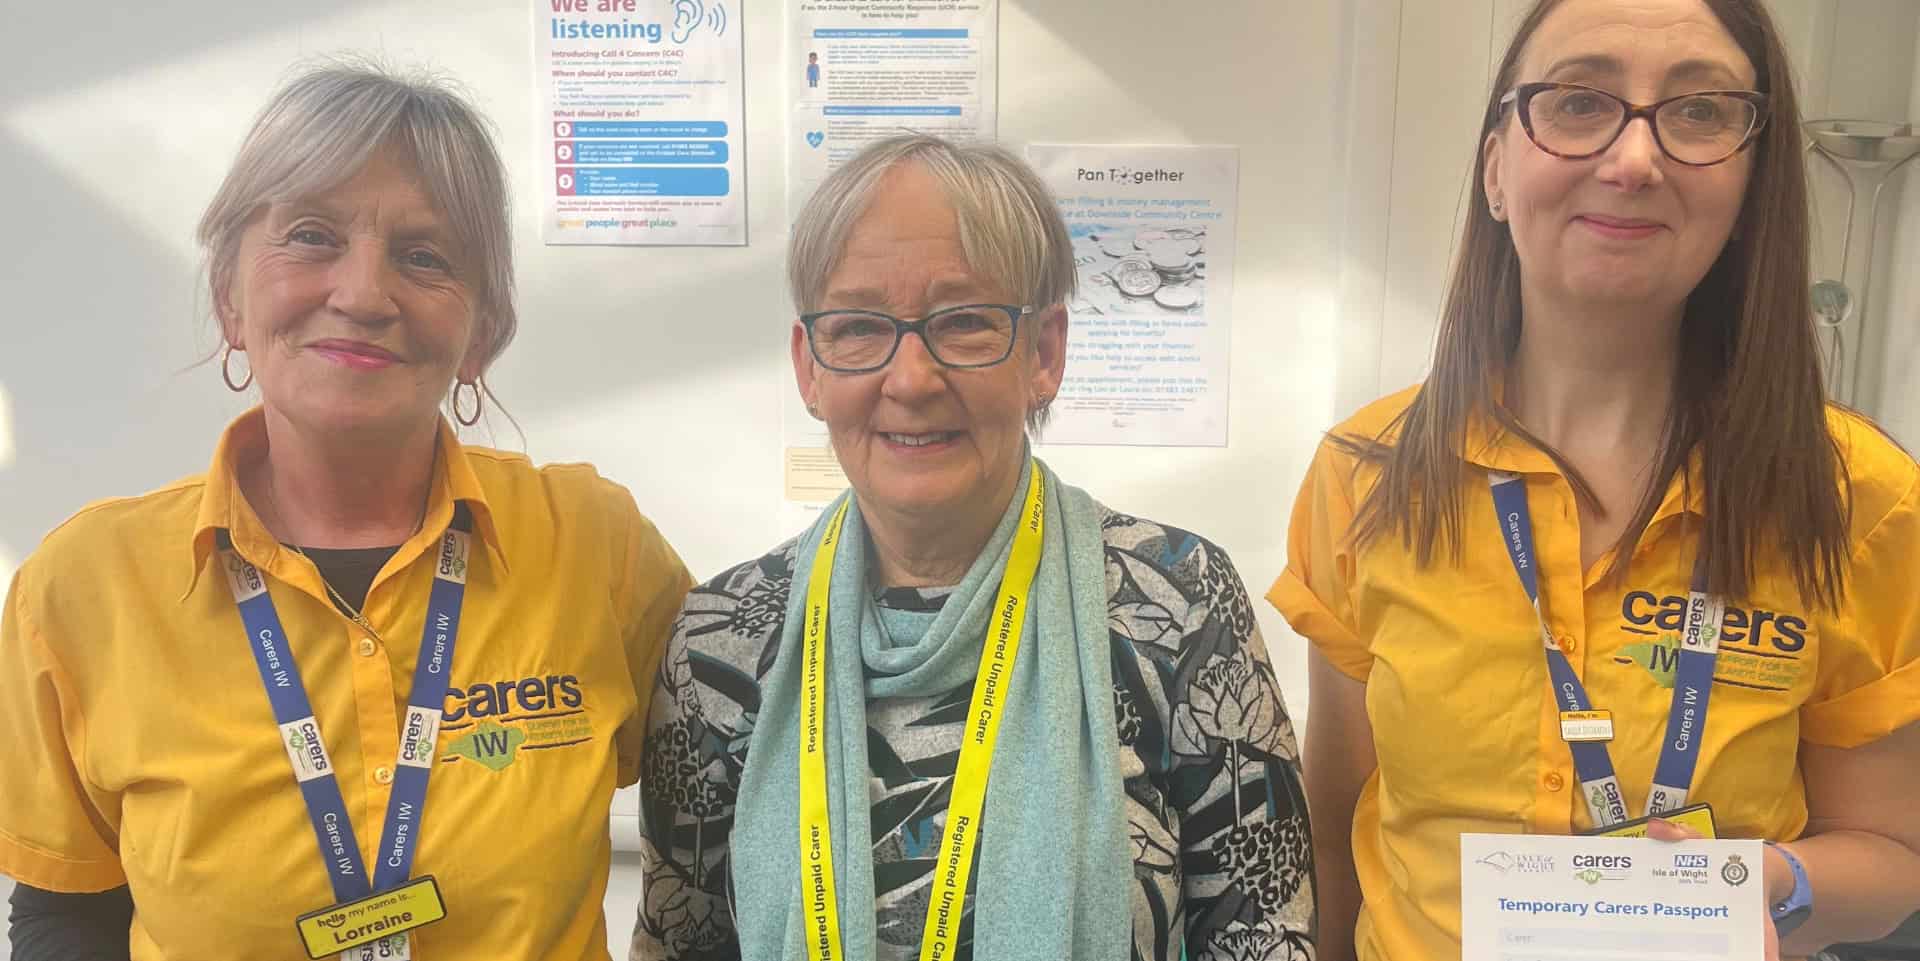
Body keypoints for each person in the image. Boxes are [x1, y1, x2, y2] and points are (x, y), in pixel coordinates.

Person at [0, 61, 693, 961]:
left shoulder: (596, 547)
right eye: (313, 236)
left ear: (480, 331)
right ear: (229, 299)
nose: (365, 295)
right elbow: (67, 915)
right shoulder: (84, 586)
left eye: (425, 256)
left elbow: (724, 822)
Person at [1270, 1, 1920, 960]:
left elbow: (1893, 856)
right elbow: (1333, 829)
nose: (1633, 158)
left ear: (1752, 182)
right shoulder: (1366, 475)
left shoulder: (1857, 496)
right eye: (1579, 101)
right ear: (1498, 167)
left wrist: (1769, 889)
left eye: (1700, 113)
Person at [629, 134, 1315, 961]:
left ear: (1045, 353)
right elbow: (678, 945)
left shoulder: (1180, 604)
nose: (912, 378)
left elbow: (1267, 936)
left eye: (963, 322)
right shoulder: (721, 638)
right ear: (811, 369)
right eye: (857, 327)